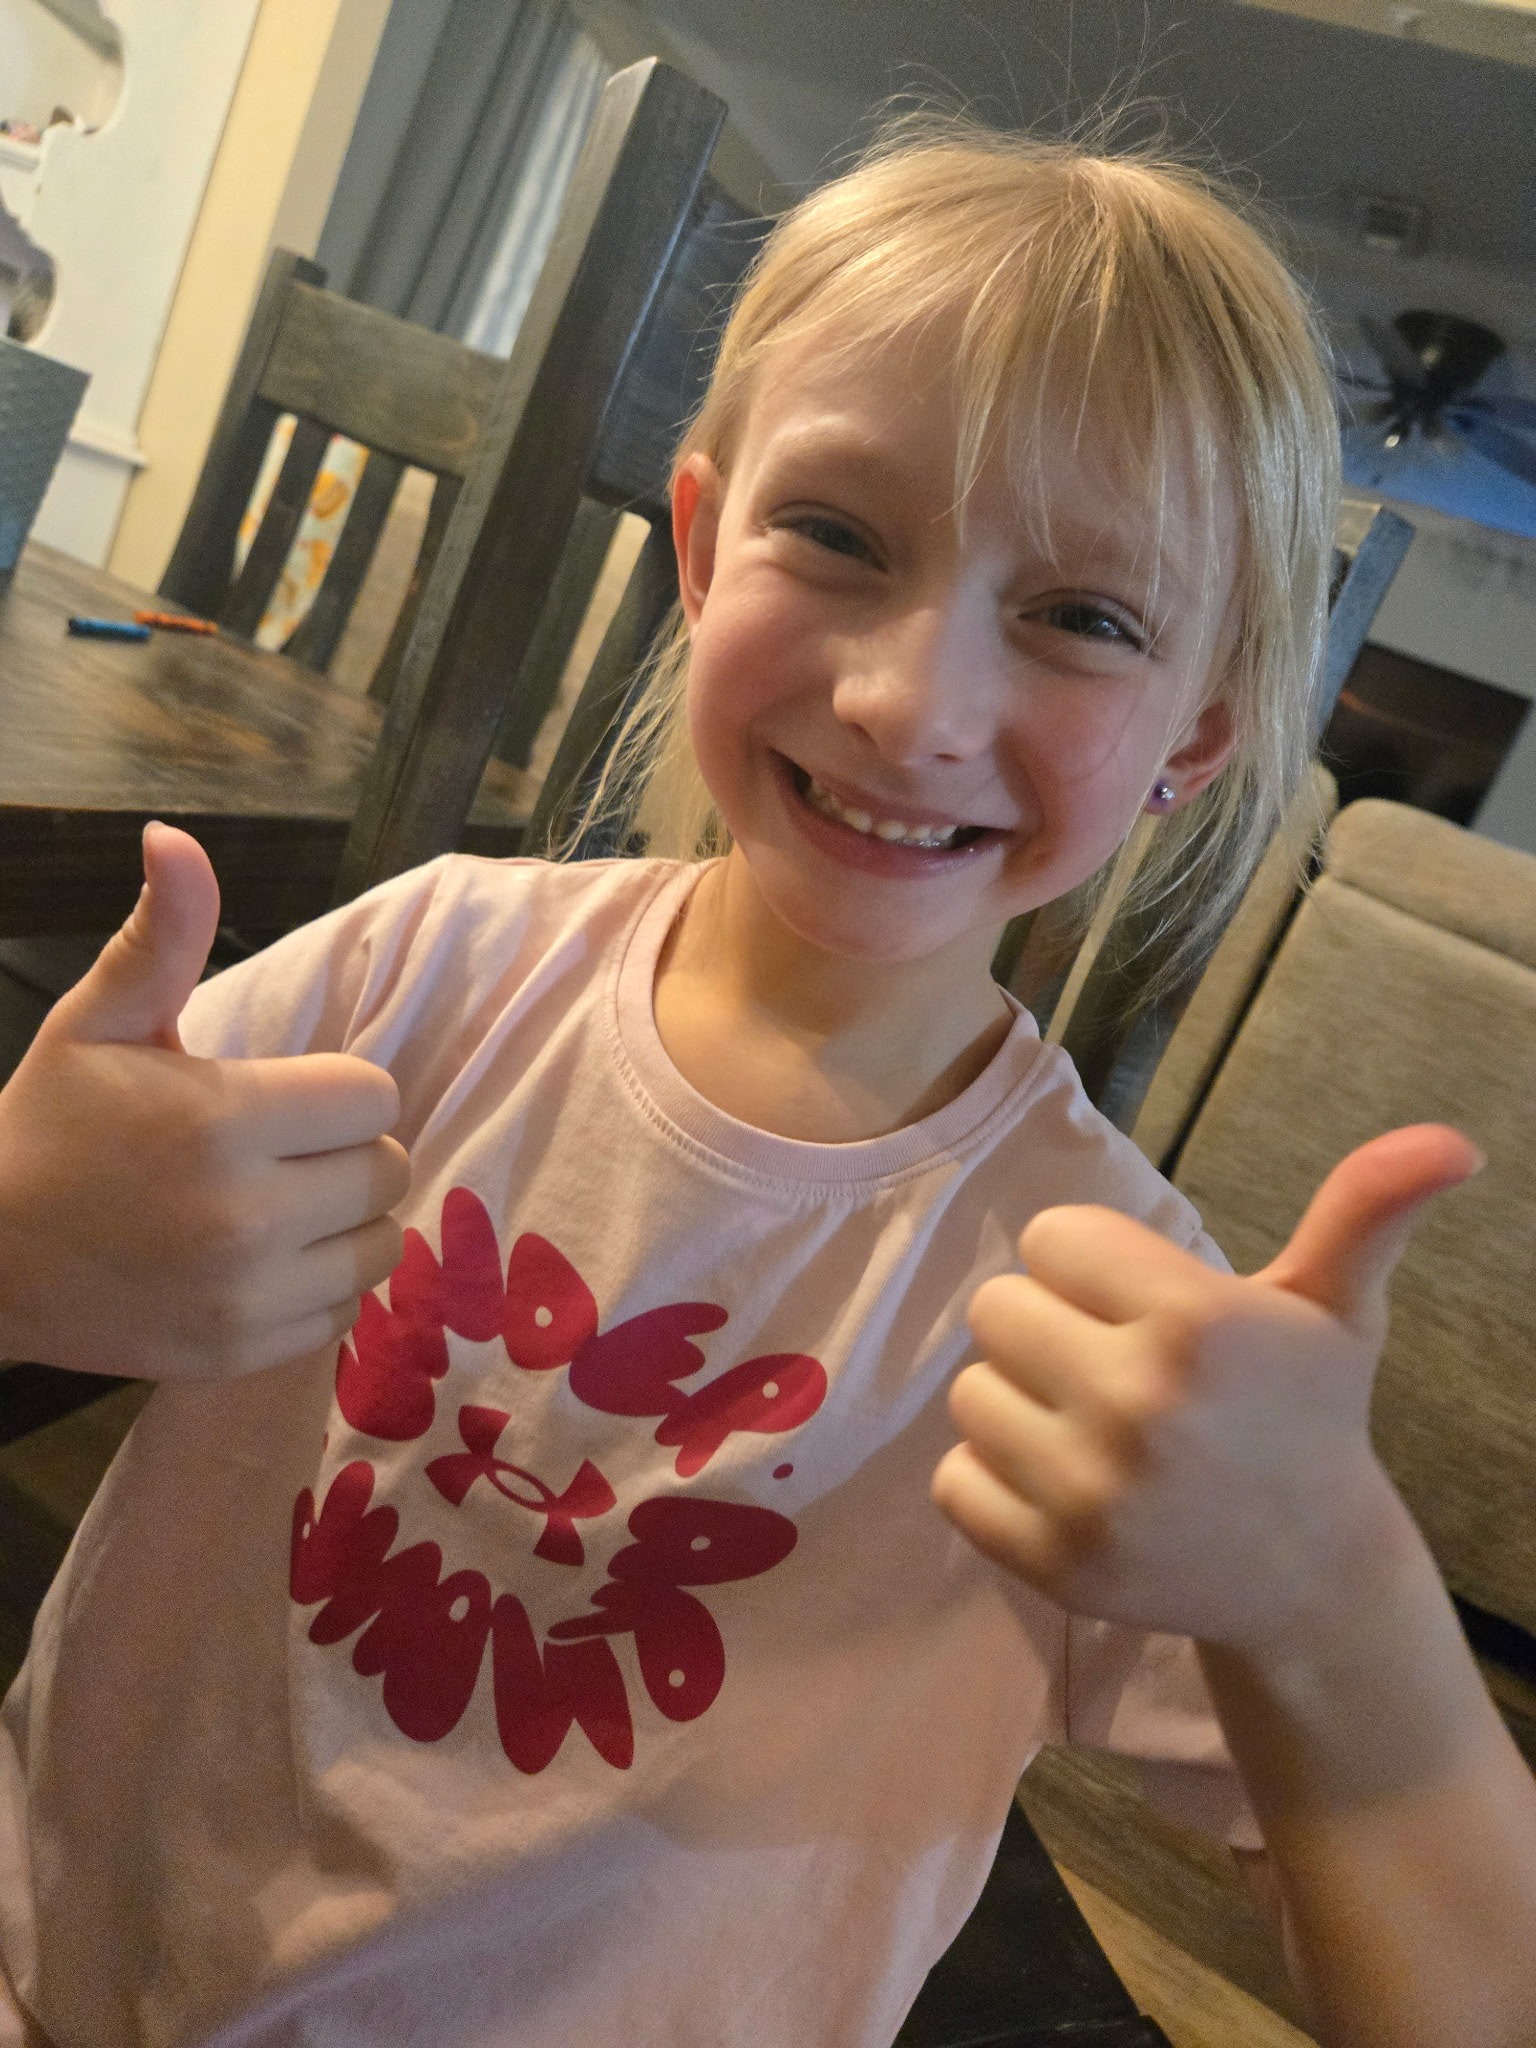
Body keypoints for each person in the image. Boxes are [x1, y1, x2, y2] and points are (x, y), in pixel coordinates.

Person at [0, 120, 1533, 2048]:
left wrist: (1337, 1597)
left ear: (1195, 740)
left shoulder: (1108, 1322)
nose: (909, 703)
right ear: (705, 544)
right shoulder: (422, 971)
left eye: (1084, 617)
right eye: (841, 536)